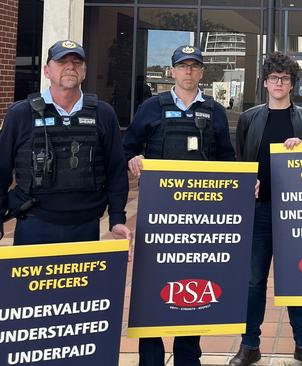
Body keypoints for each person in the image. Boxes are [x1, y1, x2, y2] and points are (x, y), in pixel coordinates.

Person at [122, 45, 236, 366]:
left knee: (193, 287)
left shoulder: (213, 111)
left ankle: (188, 357)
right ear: (172, 71)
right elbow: (127, 147)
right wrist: (134, 158)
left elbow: (227, 160)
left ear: (201, 72)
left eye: (194, 67)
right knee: (151, 286)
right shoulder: (151, 107)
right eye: (182, 66)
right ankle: (151, 359)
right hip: (157, 216)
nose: (188, 72)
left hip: (199, 218)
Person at [231, 51, 302, 366]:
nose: (279, 83)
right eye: (274, 78)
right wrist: (246, 185)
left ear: (291, 84)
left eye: (284, 78)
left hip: (294, 214)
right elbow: (240, 164)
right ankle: (249, 345)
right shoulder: (249, 118)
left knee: (296, 279)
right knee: (253, 281)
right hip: (259, 211)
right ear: (265, 83)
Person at [0, 40, 130, 244]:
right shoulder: (21, 114)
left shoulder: (103, 114)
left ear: (84, 71)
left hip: (86, 227)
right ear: (47, 71)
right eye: (62, 61)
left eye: (77, 62)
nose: (70, 67)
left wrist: (117, 218)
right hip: (34, 224)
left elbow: (116, 169)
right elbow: (2, 169)